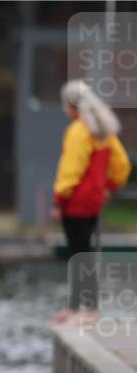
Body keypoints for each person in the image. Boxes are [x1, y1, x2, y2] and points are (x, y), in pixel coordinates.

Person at [49, 80, 131, 325]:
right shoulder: (103, 131)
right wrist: (109, 188)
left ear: (70, 105)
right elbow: (122, 165)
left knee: (78, 254)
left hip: (75, 203)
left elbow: (70, 171)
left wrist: (58, 201)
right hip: (94, 202)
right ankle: (80, 308)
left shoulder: (78, 131)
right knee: (85, 253)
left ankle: (85, 309)